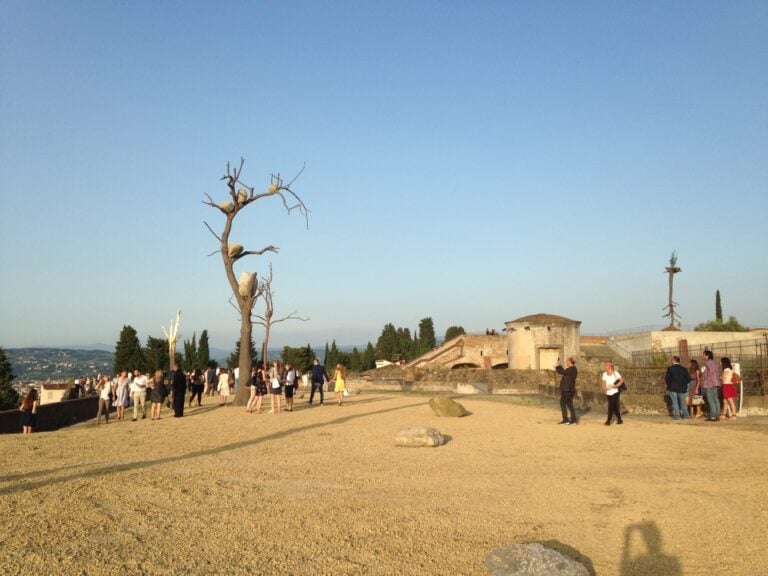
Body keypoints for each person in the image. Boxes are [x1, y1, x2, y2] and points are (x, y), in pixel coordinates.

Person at [664, 356, 691, 420]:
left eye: (671, 360)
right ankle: (685, 416)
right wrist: (683, 384)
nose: (671, 361)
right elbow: (688, 379)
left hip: (673, 387)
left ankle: (677, 416)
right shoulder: (684, 369)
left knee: (675, 402)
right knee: (683, 402)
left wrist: (669, 385)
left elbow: (667, 379)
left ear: (673, 361)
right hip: (682, 388)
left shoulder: (670, 368)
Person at [555, 357, 578, 425]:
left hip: (567, 390)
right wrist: (559, 366)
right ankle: (573, 420)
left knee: (563, 403)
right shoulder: (572, 369)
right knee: (570, 405)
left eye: (567, 361)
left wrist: (558, 365)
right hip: (569, 390)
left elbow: (561, 372)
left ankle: (566, 420)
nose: (566, 363)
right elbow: (564, 372)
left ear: (570, 362)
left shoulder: (572, 369)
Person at [601, 361, 624, 425]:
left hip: (615, 392)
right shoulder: (604, 374)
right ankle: (620, 420)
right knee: (614, 407)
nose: (605, 366)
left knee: (610, 406)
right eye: (605, 365)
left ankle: (608, 421)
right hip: (608, 392)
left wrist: (617, 385)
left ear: (610, 366)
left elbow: (622, 380)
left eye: (607, 365)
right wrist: (605, 389)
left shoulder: (615, 373)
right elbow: (603, 383)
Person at [701, 350, 721, 421]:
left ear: (707, 356)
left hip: (709, 384)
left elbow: (710, 373)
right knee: (716, 399)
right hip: (716, 383)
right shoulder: (715, 363)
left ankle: (713, 416)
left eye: (703, 355)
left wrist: (706, 380)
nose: (702, 356)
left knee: (711, 400)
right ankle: (717, 415)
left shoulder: (707, 363)